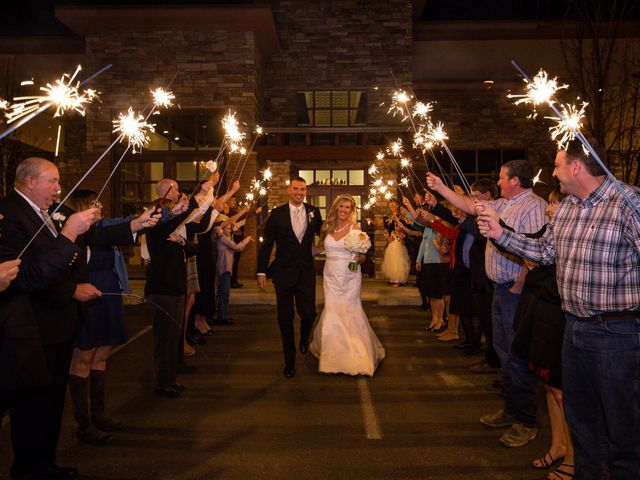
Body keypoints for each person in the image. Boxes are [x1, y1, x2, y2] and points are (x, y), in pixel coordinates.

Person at [478, 138, 640, 479]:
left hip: (618, 332)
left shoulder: (628, 202)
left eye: (557, 165)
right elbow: (544, 252)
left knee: (622, 426)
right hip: (574, 328)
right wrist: (499, 232)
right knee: (582, 422)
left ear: (577, 167)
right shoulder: (567, 208)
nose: (552, 172)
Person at [0, 156, 157, 480]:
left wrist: (135, 225)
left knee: (53, 405)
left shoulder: (49, 212)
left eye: (58, 182)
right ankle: (28, 470)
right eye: (52, 182)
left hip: (58, 326)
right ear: (30, 182)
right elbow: (28, 277)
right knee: (31, 410)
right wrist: (69, 242)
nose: (59, 189)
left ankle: (46, 464)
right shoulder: (11, 215)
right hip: (30, 331)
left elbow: (94, 234)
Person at [427, 159, 547, 448]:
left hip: (514, 291)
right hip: (499, 289)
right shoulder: (505, 204)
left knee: (517, 355)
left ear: (516, 181)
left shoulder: (532, 207)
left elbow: (536, 246)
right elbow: (470, 207)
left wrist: (519, 283)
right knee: (505, 353)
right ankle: (512, 409)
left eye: (503, 178)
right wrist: (442, 187)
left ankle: (526, 421)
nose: (499, 183)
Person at [65, 190, 132, 446]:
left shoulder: (102, 232)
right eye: (94, 203)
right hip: (87, 295)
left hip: (108, 293)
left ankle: (98, 413)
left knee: (102, 352)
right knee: (83, 355)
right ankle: (83, 423)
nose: (100, 206)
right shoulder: (76, 236)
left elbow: (124, 229)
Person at [144, 178, 214, 398]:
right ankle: (162, 382)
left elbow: (193, 247)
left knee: (174, 334)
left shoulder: (172, 225)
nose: (178, 195)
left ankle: (170, 378)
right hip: (162, 286)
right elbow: (185, 214)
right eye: (175, 190)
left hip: (176, 285)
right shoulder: (157, 220)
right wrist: (200, 194)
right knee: (163, 338)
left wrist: (182, 242)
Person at [309, 195, 385, 376]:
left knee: (349, 312)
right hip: (330, 275)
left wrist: (358, 257)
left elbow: (363, 257)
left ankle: (356, 356)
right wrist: (297, 249)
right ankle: (333, 356)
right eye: (341, 206)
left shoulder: (355, 228)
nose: (343, 210)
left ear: (352, 211)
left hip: (349, 276)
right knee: (333, 311)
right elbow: (320, 248)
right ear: (336, 207)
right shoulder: (327, 227)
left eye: (348, 207)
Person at [256, 176, 323, 378]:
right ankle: (290, 361)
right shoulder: (276, 214)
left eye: (302, 189)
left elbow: (326, 234)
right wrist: (261, 271)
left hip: (305, 273)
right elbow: (267, 244)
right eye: (296, 188)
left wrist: (348, 236)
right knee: (285, 319)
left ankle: (304, 338)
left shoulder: (314, 212)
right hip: (283, 273)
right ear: (289, 190)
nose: (299, 192)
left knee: (309, 313)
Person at [215, 220, 252, 324]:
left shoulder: (225, 239)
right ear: (222, 229)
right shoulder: (222, 239)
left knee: (224, 294)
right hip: (224, 269)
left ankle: (223, 315)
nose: (229, 230)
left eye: (230, 229)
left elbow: (235, 249)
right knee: (224, 294)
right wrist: (246, 240)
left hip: (226, 269)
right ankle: (222, 317)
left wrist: (244, 242)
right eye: (227, 228)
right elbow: (236, 247)